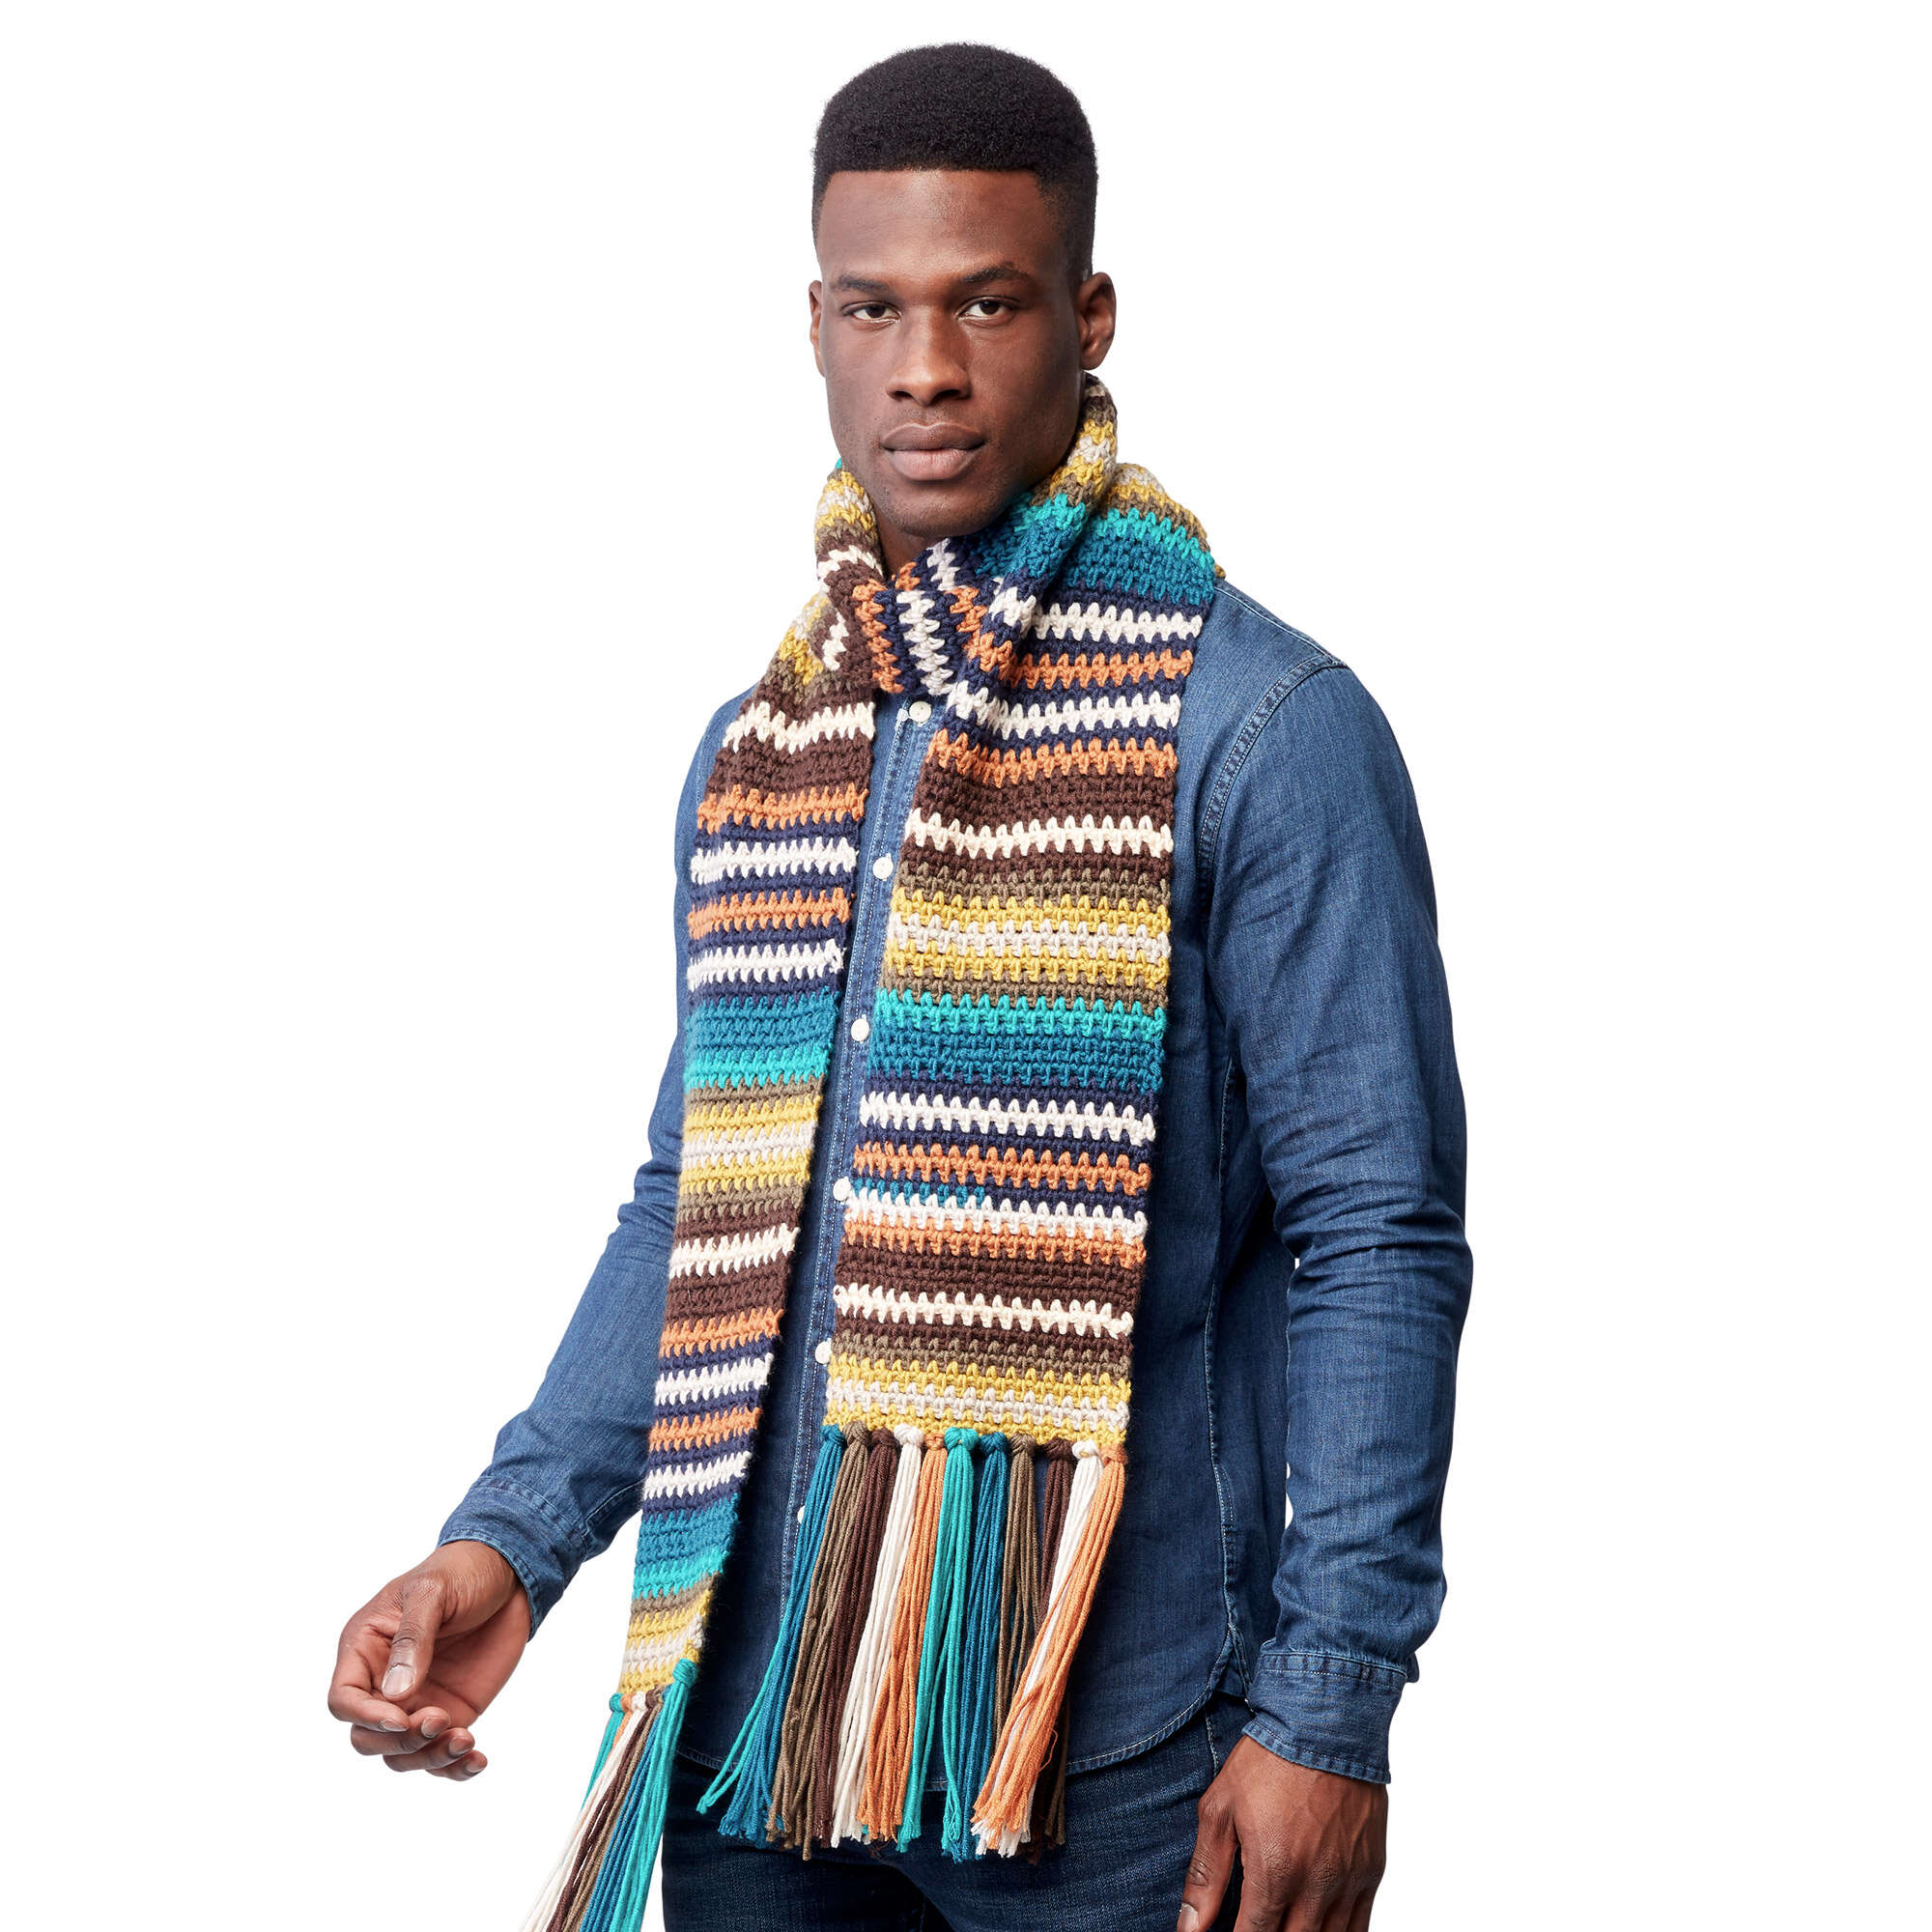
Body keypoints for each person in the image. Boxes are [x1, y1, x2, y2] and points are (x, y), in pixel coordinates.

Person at [328, 43, 1472, 1932]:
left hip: (1114, 1763)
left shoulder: (1266, 734)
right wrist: (508, 1545)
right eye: (872, 307)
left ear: (1088, 318)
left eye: (987, 303)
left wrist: (1333, 1711)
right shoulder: (764, 747)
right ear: (815, 325)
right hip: (745, 1729)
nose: (924, 367)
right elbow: (696, 1200)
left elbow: (1376, 1234)